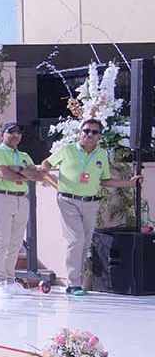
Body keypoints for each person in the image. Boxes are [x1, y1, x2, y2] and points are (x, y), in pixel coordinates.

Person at [41, 118, 142, 295]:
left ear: (99, 136)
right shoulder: (68, 149)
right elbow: (46, 164)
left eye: (94, 132)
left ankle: (77, 282)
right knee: (76, 240)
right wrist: (49, 177)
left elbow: (104, 180)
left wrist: (128, 183)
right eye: (86, 131)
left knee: (85, 243)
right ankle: (73, 284)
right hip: (68, 200)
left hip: (91, 202)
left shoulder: (101, 154)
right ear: (80, 132)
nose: (89, 135)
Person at [0, 123, 42, 292]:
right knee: (2, 240)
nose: (16, 135)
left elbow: (37, 175)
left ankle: (9, 279)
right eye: (11, 132)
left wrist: (18, 169)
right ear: (3, 134)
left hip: (21, 198)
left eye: (18, 133)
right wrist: (25, 174)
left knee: (16, 243)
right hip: (2, 196)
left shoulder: (24, 155)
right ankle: (0, 281)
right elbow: (3, 173)